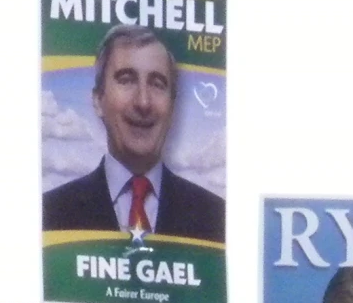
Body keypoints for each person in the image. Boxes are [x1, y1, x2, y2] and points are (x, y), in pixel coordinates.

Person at [42, 25, 225, 242]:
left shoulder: (215, 217)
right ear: (98, 100)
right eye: (126, 79)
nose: (143, 102)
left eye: (157, 84)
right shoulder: (52, 213)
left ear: (173, 107)